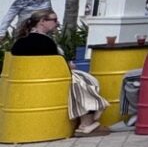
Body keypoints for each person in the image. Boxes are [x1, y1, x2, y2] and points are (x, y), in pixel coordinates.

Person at [10, 8, 111, 136]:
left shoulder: (20, 42)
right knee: (83, 81)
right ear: (42, 21)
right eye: (54, 20)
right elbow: (56, 65)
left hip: (27, 81)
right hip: (51, 79)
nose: (57, 23)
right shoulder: (45, 42)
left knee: (81, 79)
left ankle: (88, 120)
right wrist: (69, 66)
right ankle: (87, 122)